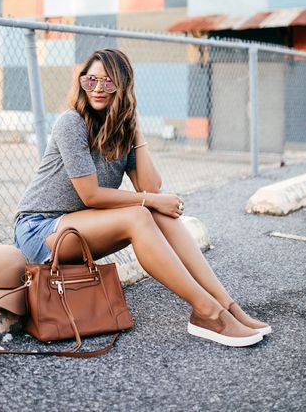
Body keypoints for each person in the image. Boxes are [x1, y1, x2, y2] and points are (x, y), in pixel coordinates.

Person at [14, 48, 271, 347]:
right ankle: (207, 312)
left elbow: (149, 185)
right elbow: (92, 194)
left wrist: (134, 128)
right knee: (142, 212)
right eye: (91, 80)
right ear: (81, 82)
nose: (98, 89)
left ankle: (226, 305)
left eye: (108, 82)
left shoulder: (121, 128)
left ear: (122, 87)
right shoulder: (71, 123)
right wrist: (151, 200)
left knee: (160, 212)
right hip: (40, 228)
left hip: (80, 225)